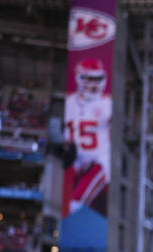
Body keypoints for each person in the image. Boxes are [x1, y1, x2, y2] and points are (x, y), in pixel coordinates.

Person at [64, 57, 112, 215]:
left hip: (99, 160)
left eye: (97, 79)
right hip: (77, 162)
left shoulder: (106, 104)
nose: (93, 84)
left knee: (76, 203)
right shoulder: (70, 103)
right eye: (89, 79)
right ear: (80, 78)